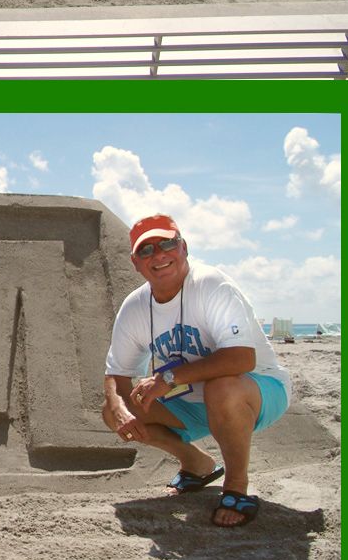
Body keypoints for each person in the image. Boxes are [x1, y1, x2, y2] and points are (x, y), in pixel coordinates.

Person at [102, 215, 291, 529]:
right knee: (113, 410)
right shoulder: (134, 308)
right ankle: (197, 464)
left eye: (166, 244)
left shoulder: (212, 285)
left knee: (223, 388)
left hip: (257, 390)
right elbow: (116, 375)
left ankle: (235, 487)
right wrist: (120, 410)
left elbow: (242, 358)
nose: (159, 255)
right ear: (136, 263)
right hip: (192, 403)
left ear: (183, 247)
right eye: (146, 250)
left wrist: (168, 378)